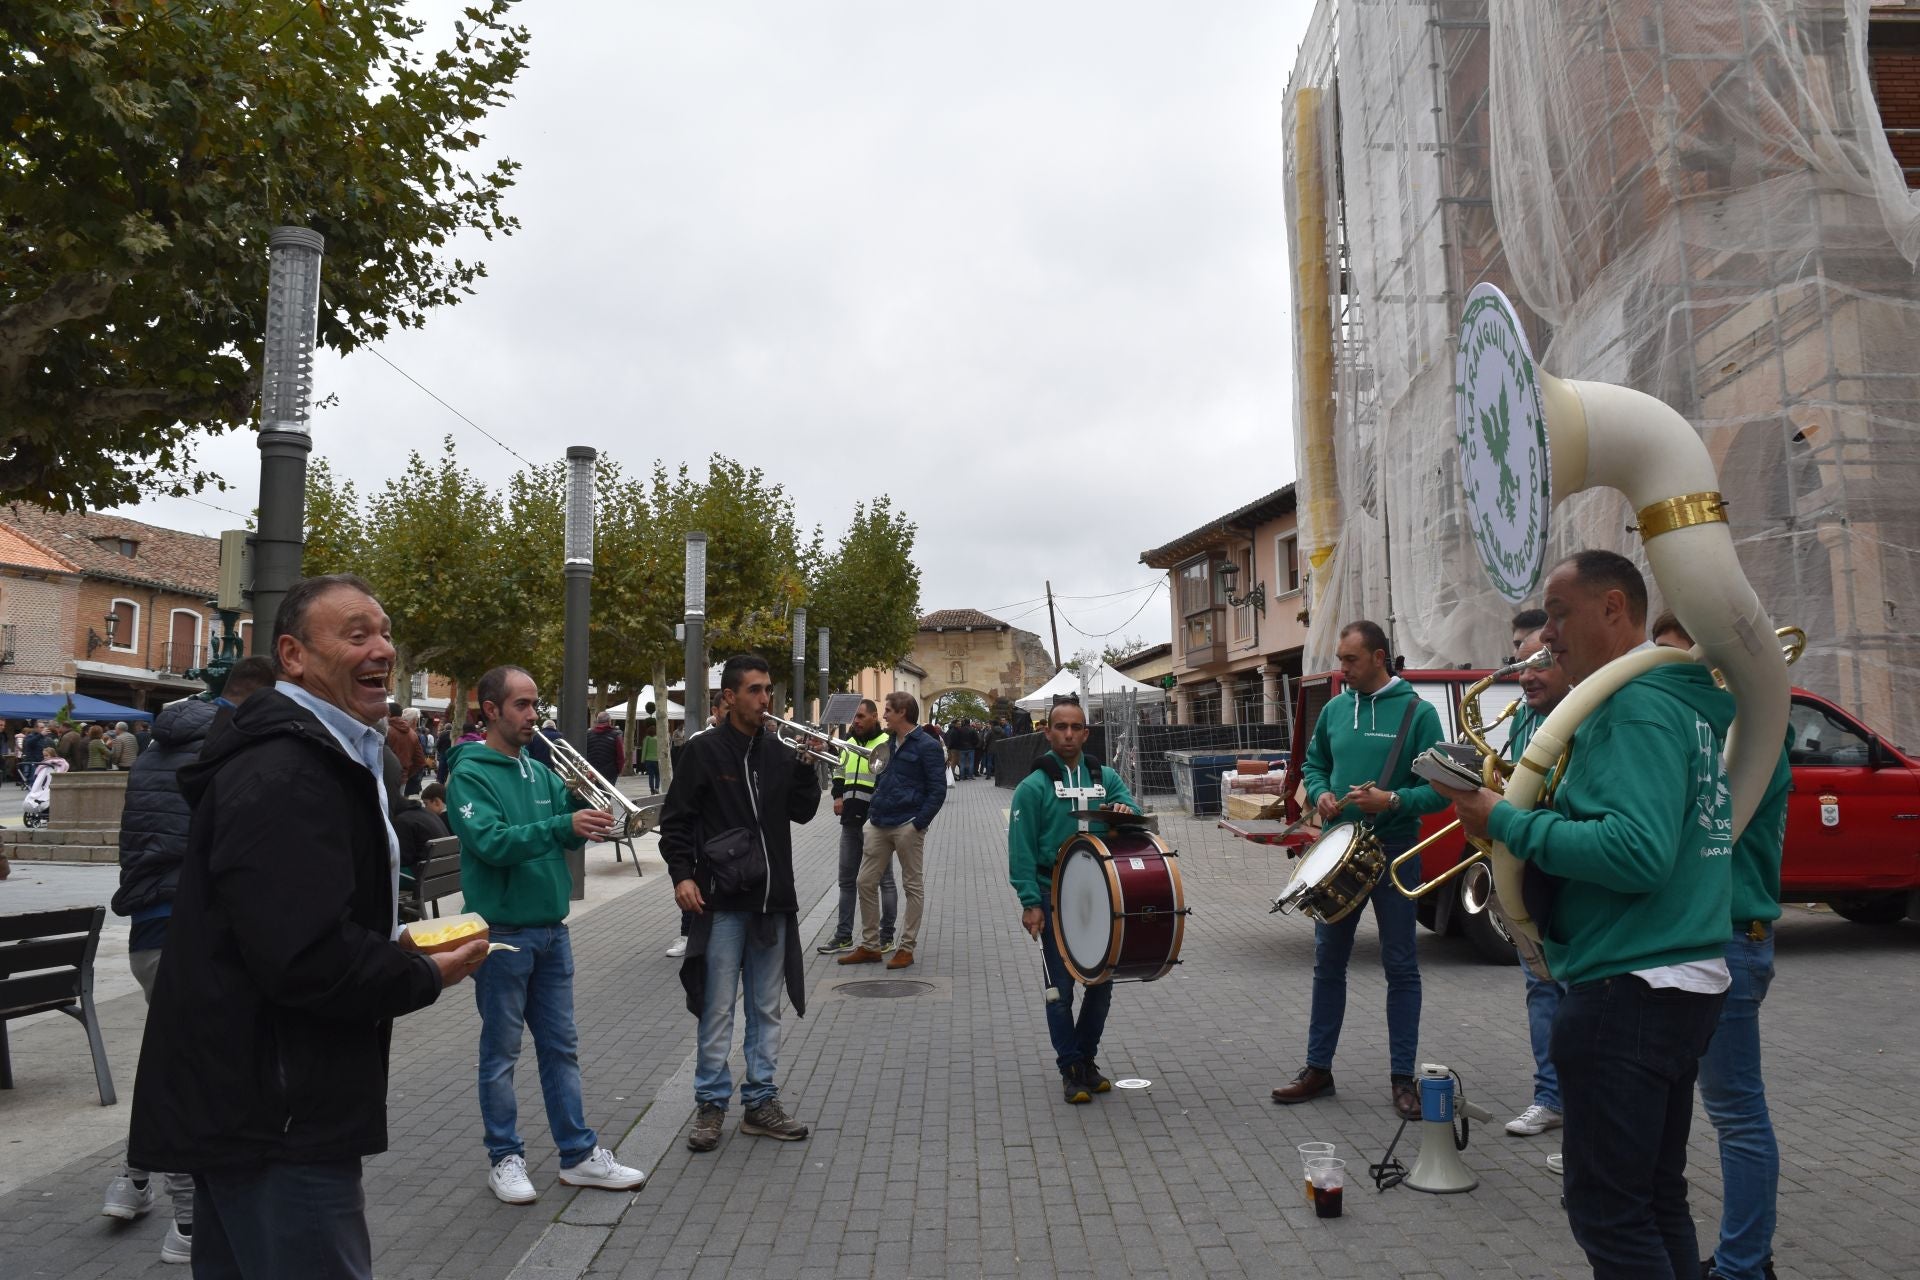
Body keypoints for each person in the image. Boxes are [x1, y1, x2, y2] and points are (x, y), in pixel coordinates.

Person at [127, 575, 488, 1280]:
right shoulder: (287, 769)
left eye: (384, 632)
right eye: (356, 634)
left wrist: (393, 946)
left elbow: (297, 922)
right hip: (278, 1117)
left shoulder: (322, 754)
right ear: (292, 655)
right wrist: (417, 972)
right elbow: (303, 957)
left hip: (261, 1104)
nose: (381, 647)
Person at [1435, 551, 1737, 1278]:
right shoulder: (1680, 700)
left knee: (1609, 1213)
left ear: (1613, 608)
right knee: (1656, 1199)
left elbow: (1636, 852)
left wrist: (1507, 822)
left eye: (1561, 614)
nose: (1547, 637)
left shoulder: (1633, 705)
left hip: (1627, 984)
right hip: (1678, 975)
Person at [444, 665, 646, 1205]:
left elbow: (565, 827)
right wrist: (562, 827)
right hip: (503, 933)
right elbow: (490, 842)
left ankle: (578, 1156)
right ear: (491, 710)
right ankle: (504, 1158)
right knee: (501, 1052)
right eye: (524, 705)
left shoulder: (538, 769)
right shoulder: (470, 773)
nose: (536, 715)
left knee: (561, 1048)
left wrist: (590, 820)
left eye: (537, 705)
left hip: (552, 931)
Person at [101, 658, 275, 1263]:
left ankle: (132, 1181)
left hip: (149, 925)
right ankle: (189, 1221)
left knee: (172, 1057)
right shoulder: (235, 747)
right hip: (198, 927)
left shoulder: (157, 745)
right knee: (193, 1073)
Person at [1652, 611, 1789, 1280]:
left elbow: (1691, 834)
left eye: (1680, 664)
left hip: (1730, 932)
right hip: (1706, 933)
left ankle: (1744, 1265)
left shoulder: (1746, 729)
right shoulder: (1709, 727)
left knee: (1736, 1113)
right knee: (1713, 1109)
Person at [1271, 619, 1446, 1120]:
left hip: (1395, 852)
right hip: (1338, 850)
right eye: (1340, 659)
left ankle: (1401, 1078)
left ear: (1378, 657)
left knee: (1401, 966)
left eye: (1349, 660)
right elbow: (1313, 764)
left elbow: (1440, 791)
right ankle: (1318, 1070)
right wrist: (1321, 790)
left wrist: (1392, 799)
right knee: (1328, 963)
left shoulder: (1418, 712)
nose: (1341, 668)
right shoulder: (1333, 709)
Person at [660, 655, 822, 1153]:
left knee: (765, 1008)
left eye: (768, 690)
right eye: (754, 690)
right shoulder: (703, 752)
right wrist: (682, 876)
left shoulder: (778, 751)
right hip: (723, 900)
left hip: (773, 900)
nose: (765, 699)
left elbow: (802, 813)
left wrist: (807, 768)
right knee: (717, 1008)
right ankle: (711, 1103)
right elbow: (677, 821)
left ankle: (761, 1101)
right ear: (728, 697)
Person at [1007, 695, 1139, 1103]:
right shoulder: (1032, 787)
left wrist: (1123, 811)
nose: (1068, 734)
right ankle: (1070, 1067)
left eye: (1075, 727)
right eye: (1059, 727)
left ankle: (1086, 1058)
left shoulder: (1104, 776)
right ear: (1047, 732)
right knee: (1059, 988)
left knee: (1102, 982)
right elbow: (1021, 850)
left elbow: (1133, 813)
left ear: (1085, 732)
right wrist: (1031, 902)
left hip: (1101, 893)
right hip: (1051, 893)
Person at [1501, 622, 1572, 1140]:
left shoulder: (1582, 716)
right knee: (1541, 990)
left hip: (1571, 872)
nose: (1525, 677)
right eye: (1520, 666)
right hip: (1531, 871)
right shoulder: (1524, 720)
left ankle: (1583, 1102)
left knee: (1574, 991)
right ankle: (1549, 1097)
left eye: (1536, 664)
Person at [838, 691, 947, 971]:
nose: (883, 715)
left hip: (907, 824)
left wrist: (918, 824)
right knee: (864, 881)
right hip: (879, 821)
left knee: (912, 886)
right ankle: (870, 945)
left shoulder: (927, 745)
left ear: (902, 713)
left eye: (888, 710)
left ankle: (906, 947)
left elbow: (938, 790)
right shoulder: (885, 743)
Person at [816, 699, 897, 954]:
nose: (856, 722)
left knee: (885, 881)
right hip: (850, 820)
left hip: (876, 823)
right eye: (855, 717)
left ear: (875, 717)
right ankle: (843, 935)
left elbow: (890, 783)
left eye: (861, 717)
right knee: (846, 880)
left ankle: (886, 936)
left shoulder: (886, 745)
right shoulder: (848, 744)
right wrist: (838, 795)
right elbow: (839, 772)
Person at [393, 780, 453, 892]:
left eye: (426, 804)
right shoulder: (428, 815)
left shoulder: (402, 820)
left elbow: (404, 859)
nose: (425, 807)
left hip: (425, 879)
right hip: (444, 875)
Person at [582, 709, 624, 783]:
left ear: (597, 721)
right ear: (609, 721)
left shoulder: (588, 734)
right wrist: (618, 770)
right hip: (610, 771)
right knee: (607, 792)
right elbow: (620, 755)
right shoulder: (616, 735)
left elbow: (584, 751)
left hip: (591, 770)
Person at [638, 725, 660, 793]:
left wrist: (642, 760)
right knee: (657, 775)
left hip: (648, 760)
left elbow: (644, 750)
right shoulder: (658, 739)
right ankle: (657, 788)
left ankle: (652, 790)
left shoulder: (646, 738)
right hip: (657, 760)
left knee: (651, 775)